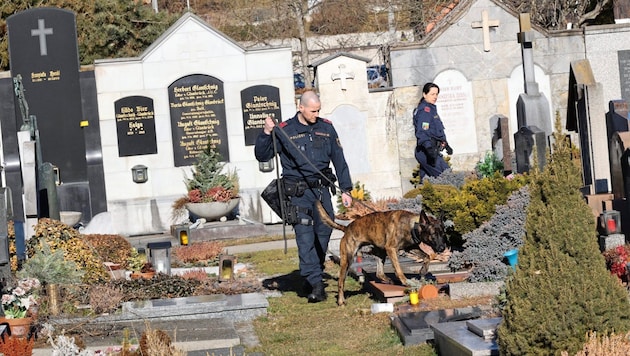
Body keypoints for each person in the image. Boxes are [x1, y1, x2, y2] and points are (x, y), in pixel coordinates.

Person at [255, 90, 353, 303]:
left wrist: (346, 189)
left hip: (321, 191)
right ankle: (316, 285)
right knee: (305, 237)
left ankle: (312, 273)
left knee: (324, 233)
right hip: (298, 194)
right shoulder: (285, 131)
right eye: (312, 111)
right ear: (300, 107)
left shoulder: (326, 127)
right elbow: (262, 155)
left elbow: (339, 158)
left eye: (318, 110)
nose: (316, 115)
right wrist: (265, 132)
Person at [413, 82, 452, 179]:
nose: (435, 97)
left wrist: (445, 144)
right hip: (426, 152)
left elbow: (435, 130)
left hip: (432, 151)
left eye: (436, 94)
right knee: (447, 177)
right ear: (424, 94)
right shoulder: (425, 111)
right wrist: (429, 149)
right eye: (432, 94)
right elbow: (422, 132)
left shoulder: (431, 109)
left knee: (426, 183)